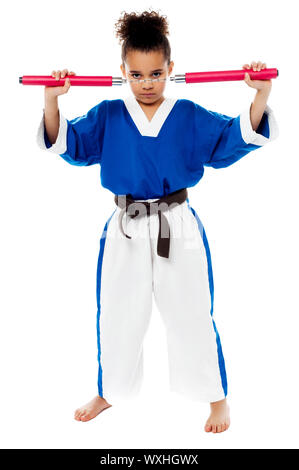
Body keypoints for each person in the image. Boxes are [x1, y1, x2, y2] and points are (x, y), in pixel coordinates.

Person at [36, 9, 279, 433]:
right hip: (125, 228)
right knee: (116, 310)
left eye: (155, 73)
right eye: (136, 74)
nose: (146, 83)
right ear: (122, 72)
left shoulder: (187, 114)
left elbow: (229, 141)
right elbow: (69, 143)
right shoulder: (109, 113)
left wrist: (259, 96)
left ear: (171, 68)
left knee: (192, 311)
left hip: (177, 226)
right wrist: (51, 100)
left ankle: (215, 397)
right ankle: (110, 389)